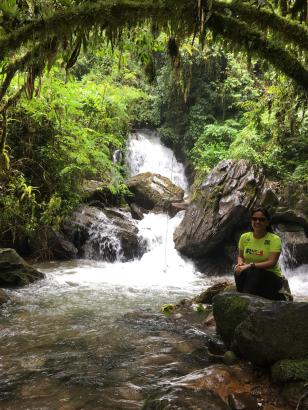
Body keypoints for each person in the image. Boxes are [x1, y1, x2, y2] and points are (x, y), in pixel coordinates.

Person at [234, 207, 287, 301]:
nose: (257, 221)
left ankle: (245, 300)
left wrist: (250, 265)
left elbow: (272, 263)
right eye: (254, 219)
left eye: (262, 219)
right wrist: (240, 263)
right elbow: (240, 256)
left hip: (272, 277)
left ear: (267, 222)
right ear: (251, 220)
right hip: (251, 273)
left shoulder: (274, 239)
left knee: (255, 272)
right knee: (238, 270)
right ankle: (245, 296)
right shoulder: (244, 237)